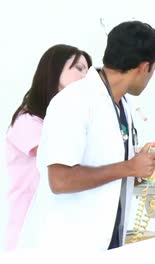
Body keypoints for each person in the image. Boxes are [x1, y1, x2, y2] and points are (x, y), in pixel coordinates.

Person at [18, 21, 155, 252]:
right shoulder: (74, 101)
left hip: (103, 246)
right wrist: (130, 167)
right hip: (62, 248)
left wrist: (152, 163)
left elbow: (112, 173)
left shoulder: (122, 106)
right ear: (144, 67)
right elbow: (60, 179)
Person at [4, 44, 92, 251]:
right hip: (27, 231)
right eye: (79, 68)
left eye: (87, 71)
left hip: (55, 228)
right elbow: (59, 155)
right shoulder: (27, 122)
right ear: (54, 70)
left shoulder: (62, 121)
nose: (86, 76)